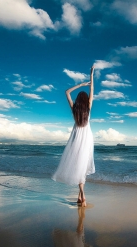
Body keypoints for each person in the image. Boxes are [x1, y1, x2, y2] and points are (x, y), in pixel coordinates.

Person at [52, 66, 95, 207]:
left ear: (78, 100)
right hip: (87, 139)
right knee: (82, 168)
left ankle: (79, 196)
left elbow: (67, 92)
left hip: (76, 139)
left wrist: (80, 85)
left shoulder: (74, 109)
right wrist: (91, 75)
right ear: (86, 99)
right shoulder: (88, 107)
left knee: (79, 167)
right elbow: (92, 90)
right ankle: (83, 196)